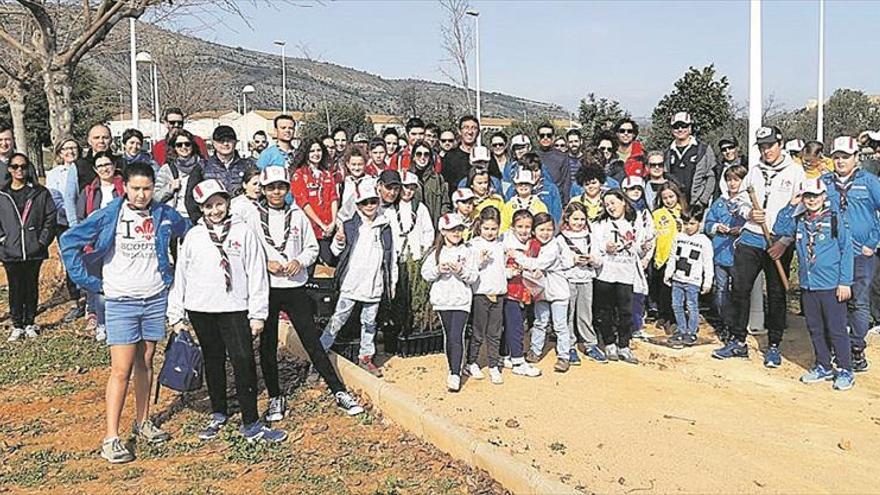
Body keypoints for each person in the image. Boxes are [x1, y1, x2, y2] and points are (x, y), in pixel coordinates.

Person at [60, 162, 190, 464]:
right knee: (121, 369)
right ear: (125, 188)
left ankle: (143, 421)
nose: (142, 195)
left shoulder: (163, 213)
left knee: (145, 362)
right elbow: (69, 242)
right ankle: (112, 437)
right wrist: (93, 282)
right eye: (136, 188)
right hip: (120, 300)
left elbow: (190, 232)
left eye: (147, 189)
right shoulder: (110, 214)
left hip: (155, 297)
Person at [168, 178, 287, 442]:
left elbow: (257, 272)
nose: (215, 210)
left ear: (227, 202)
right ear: (200, 209)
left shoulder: (243, 232)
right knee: (213, 360)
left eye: (219, 204)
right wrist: (176, 314)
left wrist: (258, 314)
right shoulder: (194, 236)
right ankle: (218, 412)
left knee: (243, 360)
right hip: (201, 309)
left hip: (235, 308)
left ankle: (251, 421)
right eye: (208, 206)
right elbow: (182, 276)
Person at [244, 167, 364, 420]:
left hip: (295, 286)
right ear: (263, 190)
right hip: (266, 288)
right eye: (271, 188)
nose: (276, 192)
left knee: (311, 340)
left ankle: (338, 390)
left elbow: (311, 248)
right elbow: (249, 250)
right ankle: (276, 396)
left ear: (287, 189)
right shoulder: (253, 217)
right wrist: (266, 263)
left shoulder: (297, 215)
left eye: (281, 187)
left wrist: (299, 261)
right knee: (267, 346)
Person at [714, 126, 804, 365]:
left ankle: (774, 345)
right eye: (762, 147)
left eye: (770, 145)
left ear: (780, 143)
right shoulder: (754, 171)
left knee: (776, 293)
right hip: (752, 236)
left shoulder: (795, 172)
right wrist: (749, 213)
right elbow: (739, 203)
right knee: (739, 288)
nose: (767, 151)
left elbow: (801, 210)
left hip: (778, 240)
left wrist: (784, 243)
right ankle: (737, 340)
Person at [774, 178, 855, 390]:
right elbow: (778, 227)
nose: (811, 200)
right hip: (808, 284)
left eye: (815, 196)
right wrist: (792, 204)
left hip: (831, 284)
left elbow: (847, 251)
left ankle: (845, 369)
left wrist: (845, 282)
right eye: (807, 196)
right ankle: (823, 365)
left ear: (824, 196)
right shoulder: (800, 219)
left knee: (836, 329)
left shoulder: (835, 219)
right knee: (815, 328)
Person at [321, 180, 396, 377]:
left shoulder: (385, 226)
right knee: (338, 318)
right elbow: (336, 251)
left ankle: (366, 357)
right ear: (358, 205)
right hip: (352, 282)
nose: (369, 206)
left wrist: (392, 283)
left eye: (373, 201)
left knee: (369, 323)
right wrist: (338, 242)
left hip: (374, 284)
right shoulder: (350, 226)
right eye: (365, 203)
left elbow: (391, 257)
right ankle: (321, 353)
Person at [821, 136, 880, 373]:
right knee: (834, 300)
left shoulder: (870, 182)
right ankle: (837, 344)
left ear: (856, 158)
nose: (841, 161)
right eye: (836, 156)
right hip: (832, 254)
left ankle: (856, 349)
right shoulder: (824, 182)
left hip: (860, 254)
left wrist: (873, 242)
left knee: (859, 302)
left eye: (845, 156)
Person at [1, 153, 56, 341]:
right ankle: (17, 324)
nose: (19, 170)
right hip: (10, 250)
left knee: (31, 287)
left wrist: (41, 241)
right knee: (15, 287)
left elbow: (50, 217)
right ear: (9, 169)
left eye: (23, 167)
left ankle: (30, 322)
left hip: (34, 250)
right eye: (15, 167)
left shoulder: (40, 192)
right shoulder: (2, 194)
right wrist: (3, 239)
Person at [592, 189, 650, 364]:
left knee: (626, 311)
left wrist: (644, 248)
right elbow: (594, 245)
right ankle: (609, 343)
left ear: (623, 201)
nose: (610, 207)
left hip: (627, 274)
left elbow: (637, 249)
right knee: (605, 309)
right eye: (607, 204)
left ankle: (624, 345)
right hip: (606, 273)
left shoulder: (635, 222)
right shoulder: (599, 224)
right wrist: (605, 247)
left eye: (613, 202)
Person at [421, 213, 478, 392]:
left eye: (460, 229)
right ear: (443, 231)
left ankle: (455, 373)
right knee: (449, 335)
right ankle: (452, 367)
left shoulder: (467, 251)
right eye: (453, 229)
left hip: (461, 301)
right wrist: (438, 269)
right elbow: (426, 274)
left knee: (456, 335)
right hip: (443, 301)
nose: (457, 232)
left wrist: (460, 270)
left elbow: (473, 276)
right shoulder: (436, 252)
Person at [513, 213, 574, 373]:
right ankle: (535, 351)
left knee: (560, 325)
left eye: (549, 229)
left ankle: (564, 356)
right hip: (541, 291)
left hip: (558, 292)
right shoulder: (533, 245)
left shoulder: (554, 245)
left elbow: (540, 263)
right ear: (534, 231)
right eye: (541, 229)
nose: (545, 233)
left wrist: (517, 257)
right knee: (540, 322)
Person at [76, 152, 126, 341]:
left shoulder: (124, 189)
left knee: (119, 285)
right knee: (100, 288)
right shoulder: (89, 191)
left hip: (120, 245)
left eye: (108, 164)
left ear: (114, 165)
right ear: (95, 170)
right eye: (100, 166)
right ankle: (102, 324)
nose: (105, 168)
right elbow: (81, 219)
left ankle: (119, 323)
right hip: (95, 246)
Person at [704, 164, 748, 341]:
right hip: (720, 252)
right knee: (721, 291)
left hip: (740, 254)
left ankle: (738, 326)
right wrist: (716, 227)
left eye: (736, 179)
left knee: (739, 291)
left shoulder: (747, 201)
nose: (732, 183)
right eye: (729, 180)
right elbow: (708, 223)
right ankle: (725, 324)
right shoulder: (720, 202)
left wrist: (743, 229)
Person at [558, 202, 604, 363]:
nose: (578, 223)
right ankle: (569, 345)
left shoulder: (591, 237)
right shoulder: (561, 238)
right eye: (575, 219)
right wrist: (573, 260)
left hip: (586, 279)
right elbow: (559, 261)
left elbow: (599, 258)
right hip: (568, 279)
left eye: (582, 219)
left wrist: (592, 259)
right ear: (567, 219)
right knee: (568, 314)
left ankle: (590, 344)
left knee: (585, 313)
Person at [465, 206, 506, 384]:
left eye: (493, 228)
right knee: (478, 332)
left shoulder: (500, 245)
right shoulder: (474, 245)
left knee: (495, 332)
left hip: (499, 293)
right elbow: (470, 269)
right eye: (486, 228)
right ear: (480, 226)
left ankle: (493, 364)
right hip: (480, 295)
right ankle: (471, 361)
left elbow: (502, 269)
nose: (490, 232)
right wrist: (480, 261)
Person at [664, 206, 714, 347]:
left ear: (699, 223)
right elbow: (673, 257)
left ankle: (691, 332)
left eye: (692, 223)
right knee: (676, 305)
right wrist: (668, 274)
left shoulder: (704, 241)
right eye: (686, 223)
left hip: (693, 281)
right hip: (677, 279)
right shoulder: (679, 237)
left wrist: (707, 282)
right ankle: (681, 329)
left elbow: (708, 263)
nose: (689, 227)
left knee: (692, 306)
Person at [185, 126, 254, 223]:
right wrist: (198, 219)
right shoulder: (203, 166)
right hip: (212, 220)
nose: (225, 144)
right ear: (214, 143)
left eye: (229, 140)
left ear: (235, 142)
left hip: (242, 219)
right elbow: (190, 197)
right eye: (221, 141)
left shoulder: (248, 165)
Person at [45, 138, 83, 315]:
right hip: (64, 223)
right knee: (70, 260)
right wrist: (70, 215)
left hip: (84, 221)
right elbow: (55, 198)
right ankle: (74, 298)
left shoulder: (84, 168)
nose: (70, 151)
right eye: (66, 148)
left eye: (74, 148)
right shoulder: (53, 174)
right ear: (60, 152)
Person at [290, 137, 338, 265]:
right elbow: (303, 202)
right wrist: (321, 224)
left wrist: (333, 222)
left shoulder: (327, 174)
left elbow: (333, 197)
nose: (316, 154)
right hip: (309, 229)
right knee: (309, 266)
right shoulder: (299, 174)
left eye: (318, 150)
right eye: (312, 151)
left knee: (327, 266)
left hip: (327, 230)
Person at [621, 176, 656, 340]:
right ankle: (622, 327)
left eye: (638, 189)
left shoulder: (644, 213)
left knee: (639, 294)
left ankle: (637, 326)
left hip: (639, 260)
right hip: (621, 259)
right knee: (622, 295)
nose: (635, 192)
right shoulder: (620, 211)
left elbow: (651, 237)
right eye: (631, 189)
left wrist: (647, 258)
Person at [651, 182, 686, 333]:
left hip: (680, 257)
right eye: (665, 198)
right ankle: (664, 316)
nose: (669, 200)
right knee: (662, 290)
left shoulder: (684, 212)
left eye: (671, 197)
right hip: (662, 256)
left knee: (676, 290)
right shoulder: (657, 214)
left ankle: (674, 319)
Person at [663, 112, 717, 209]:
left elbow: (711, 176)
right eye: (676, 126)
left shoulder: (703, 149)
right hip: (675, 205)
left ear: (690, 127)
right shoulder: (667, 152)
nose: (680, 129)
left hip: (697, 205)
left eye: (684, 126)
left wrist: (703, 200)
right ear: (671, 129)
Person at [155, 129, 205, 223]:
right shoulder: (167, 169)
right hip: (174, 217)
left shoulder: (203, 166)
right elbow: (156, 197)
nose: (183, 147)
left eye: (187, 144)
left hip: (198, 217)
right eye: (179, 145)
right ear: (174, 148)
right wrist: (170, 188)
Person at [443, 116, 498, 191]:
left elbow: (496, 181)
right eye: (466, 127)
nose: (470, 132)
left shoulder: (487, 155)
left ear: (478, 132)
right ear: (459, 131)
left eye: (474, 128)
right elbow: (445, 184)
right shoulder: (450, 156)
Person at [391, 171, 436, 261]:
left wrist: (424, 249)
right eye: (405, 187)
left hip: (416, 255)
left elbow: (428, 231)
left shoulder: (420, 207)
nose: (408, 191)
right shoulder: (391, 207)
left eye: (412, 189)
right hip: (396, 254)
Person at [410, 140, 451, 225]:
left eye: (426, 154)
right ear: (413, 156)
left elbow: (445, 204)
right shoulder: (407, 178)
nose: (422, 157)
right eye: (419, 154)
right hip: (413, 227)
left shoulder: (438, 179)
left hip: (434, 226)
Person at [534, 122, 572, 204]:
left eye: (549, 135)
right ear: (538, 137)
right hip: (534, 201)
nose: (545, 138)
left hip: (555, 201)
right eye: (542, 135)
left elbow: (566, 184)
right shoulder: (532, 156)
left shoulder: (562, 157)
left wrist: (565, 204)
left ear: (553, 137)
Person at [73, 123, 117, 192]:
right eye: (96, 138)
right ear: (89, 141)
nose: (101, 141)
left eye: (105, 138)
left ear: (111, 140)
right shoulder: (78, 166)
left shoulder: (121, 163)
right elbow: (70, 198)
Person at [338, 148, 374, 222]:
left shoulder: (372, 182)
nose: (357, 168)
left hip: (367, 223)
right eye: (353, 164)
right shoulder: (343, 184)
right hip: (347, 223)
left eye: (360, 164)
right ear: (348, 164)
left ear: (365, 164)